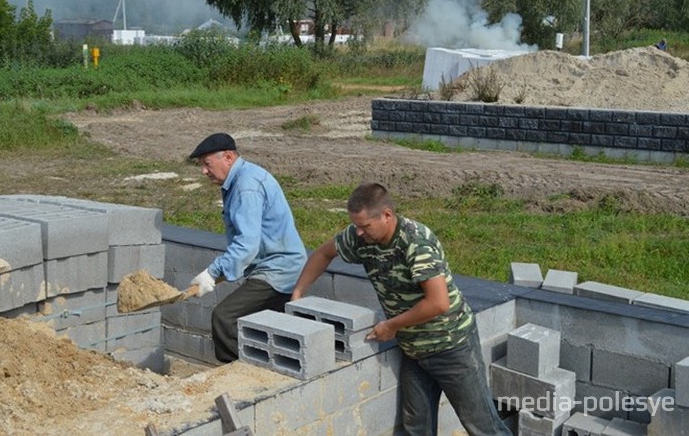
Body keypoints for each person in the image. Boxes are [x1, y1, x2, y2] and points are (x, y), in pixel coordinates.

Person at [291, 183, 511, 436]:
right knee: (416, 427)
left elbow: (438, 302)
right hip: (413, 350)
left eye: (365, 226)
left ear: (386, 215)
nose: (359, 232)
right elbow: (323, 253)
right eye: (356, 226)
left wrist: (391, 325)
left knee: (481, 426)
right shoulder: (360, 238)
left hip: (451, 346)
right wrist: (298, 292)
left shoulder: (415, 243)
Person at [189, 132, 308, 363]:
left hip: (279, 270)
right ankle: (265, 369)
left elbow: (247, 244)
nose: (204, 171)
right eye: (201, 165)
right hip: (269, 267)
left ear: (228, 157)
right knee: (261, 329)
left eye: (206, 163)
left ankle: (243, 376)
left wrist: (212, 273)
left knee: (224, 319)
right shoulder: (243, 178)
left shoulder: (246, 186)